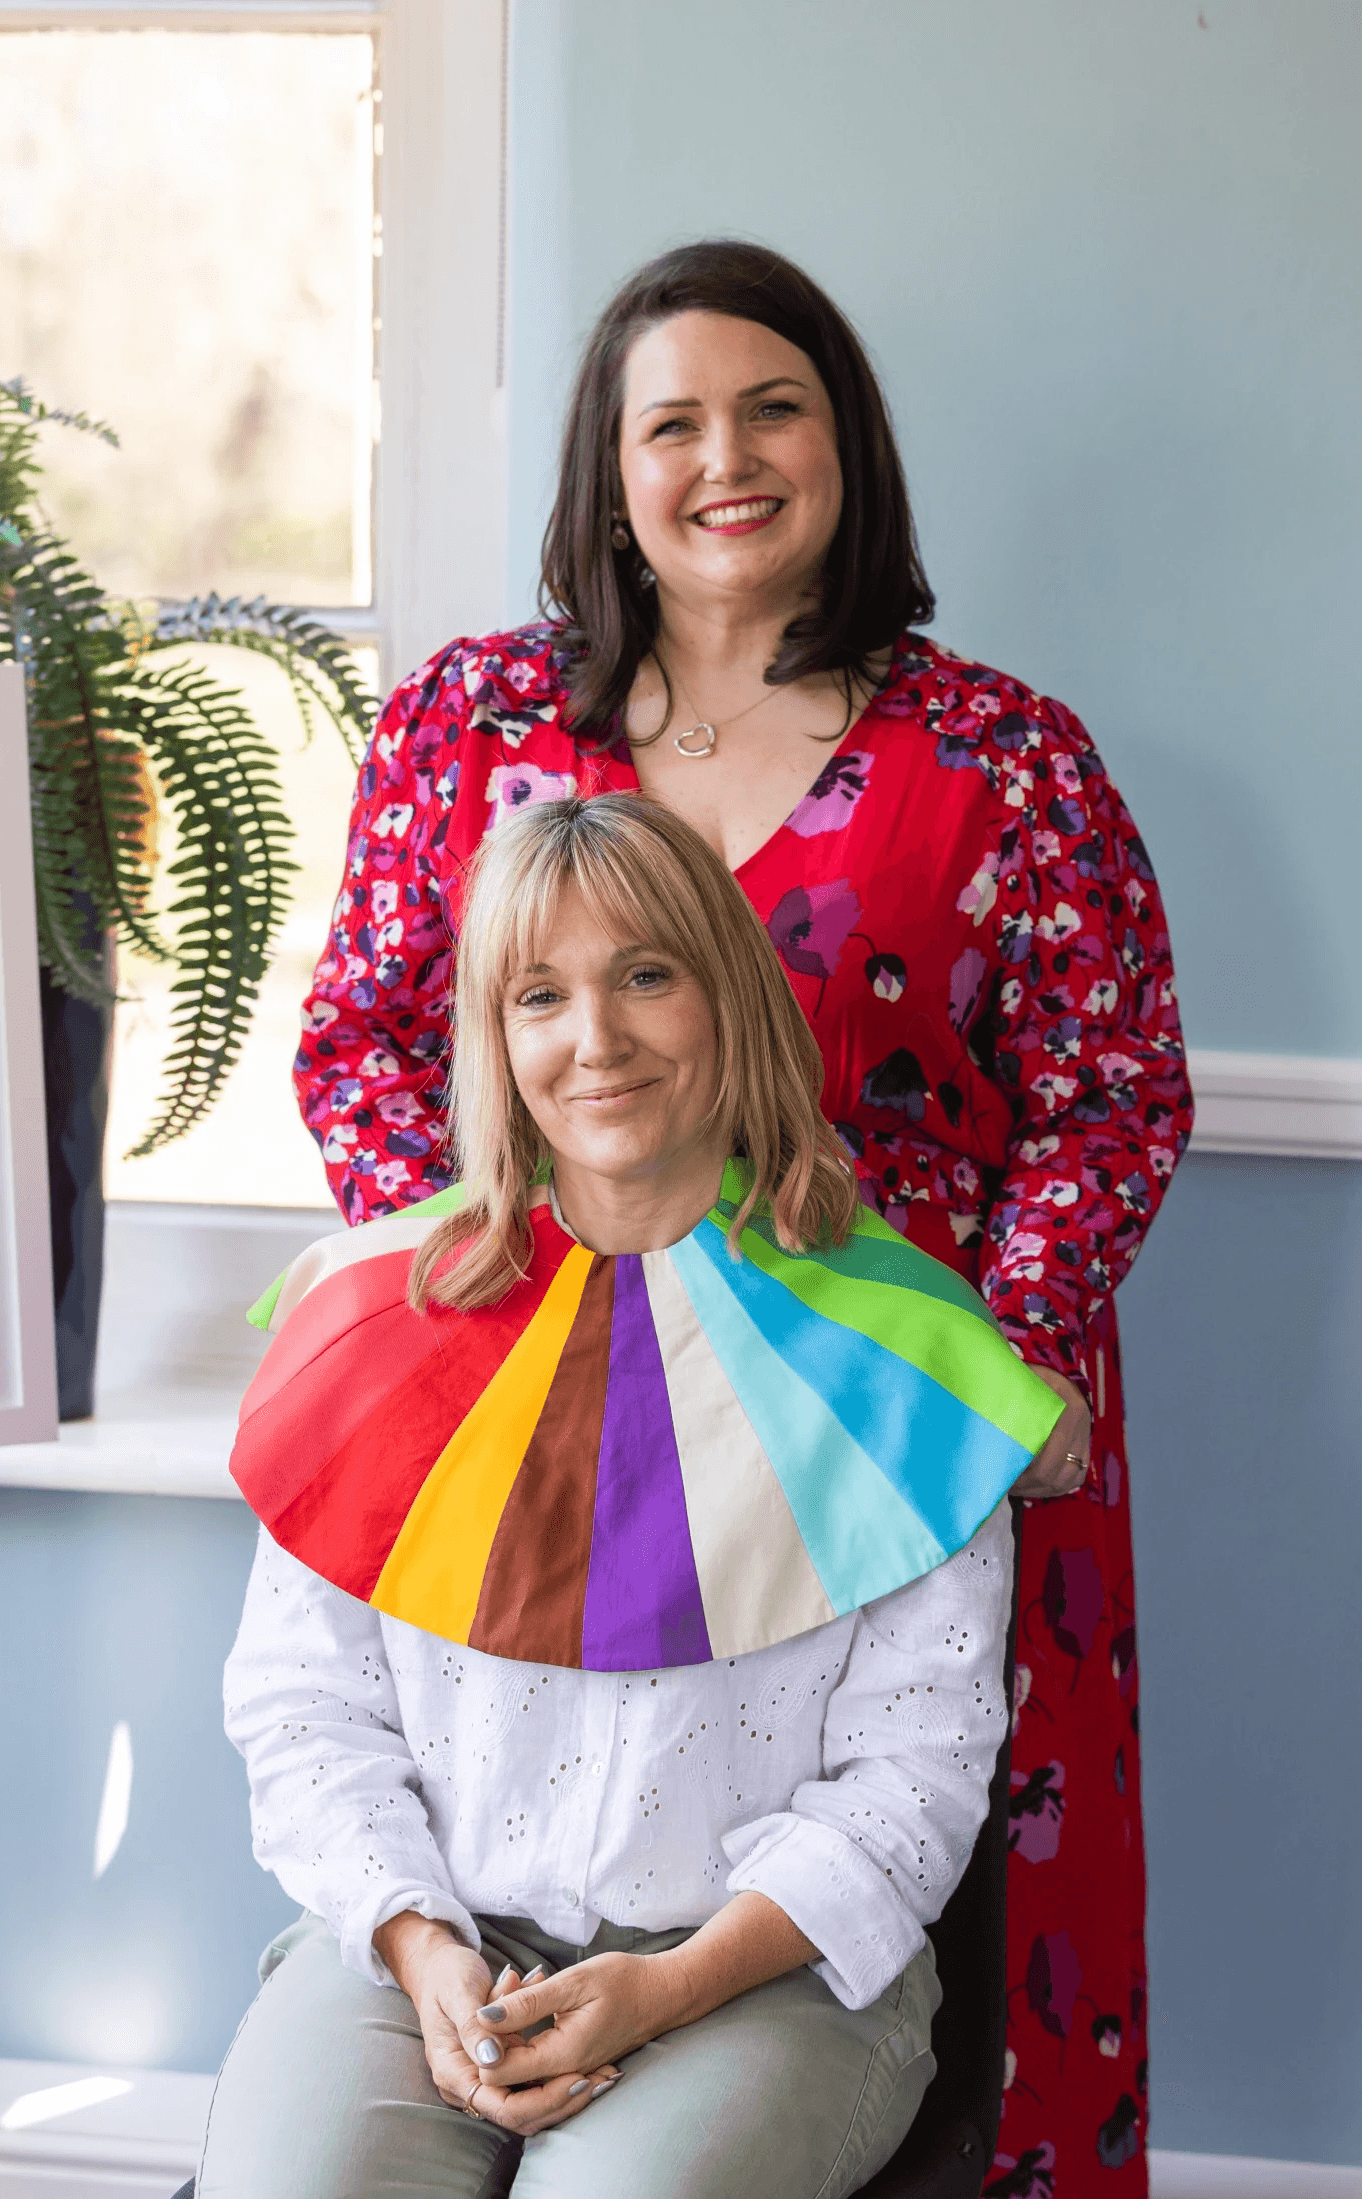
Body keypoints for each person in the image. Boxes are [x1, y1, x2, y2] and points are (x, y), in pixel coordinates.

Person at [294, 241, 1194, 2190]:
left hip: (899, 1418)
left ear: (845, 443)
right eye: (674, 422)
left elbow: (1111, 1089)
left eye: (774, 408)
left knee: (921, 1860)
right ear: (607, 466)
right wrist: (470, 1304)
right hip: (557, 1398)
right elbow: (364, 1037)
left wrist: (979, 1377)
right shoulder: (466, 725)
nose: (727, 458)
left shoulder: (1006, 761)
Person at [205, 795, 1062, 2199]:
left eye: (646, 975)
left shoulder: (907, 1358)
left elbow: (912, 1778)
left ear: (728, 998)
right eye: (540, 994)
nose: (594, 1039)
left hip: (766, 1973)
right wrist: (423, 1949)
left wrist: (666, 1987)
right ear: (496, 1038)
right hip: (425, 1944)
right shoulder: (372, 1325)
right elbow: (305, 1710)